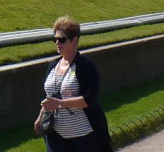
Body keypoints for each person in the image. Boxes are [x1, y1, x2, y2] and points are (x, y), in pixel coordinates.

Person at [33, 16, 113, 151]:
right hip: (55, 135)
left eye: (62, 39)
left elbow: (90, 99)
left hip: (83, 136)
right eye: (55, 39)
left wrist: (60, 103)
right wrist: (40, 117)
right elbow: (49, 97)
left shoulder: (85, 66)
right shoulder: (53, 65)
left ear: (74, 40)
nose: (57, 43)